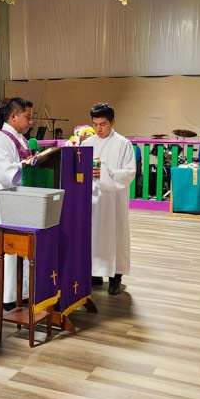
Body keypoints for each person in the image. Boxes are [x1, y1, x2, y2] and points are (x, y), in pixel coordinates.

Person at [0, 97, 35, 310]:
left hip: (20, 202)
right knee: (9, 252)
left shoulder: (21, 140)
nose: (31, 122)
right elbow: (7, 174)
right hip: (5, 204)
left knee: (22, 251)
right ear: (13, 116)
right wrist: (32, 165)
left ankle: (22, 292)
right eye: (27, 117)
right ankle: (6, 295)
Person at [82, 103, 136, 295]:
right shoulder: (87, 144)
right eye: (95, 124)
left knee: (115, 235)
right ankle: (94, 273)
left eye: (103, 124)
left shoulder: (123, 144)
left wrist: (105, 172)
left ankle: (116, 277)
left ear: (112, 122)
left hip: (114, 199)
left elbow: (130, 172)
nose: (99, 129)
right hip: (92, 198)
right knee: (92, 235)